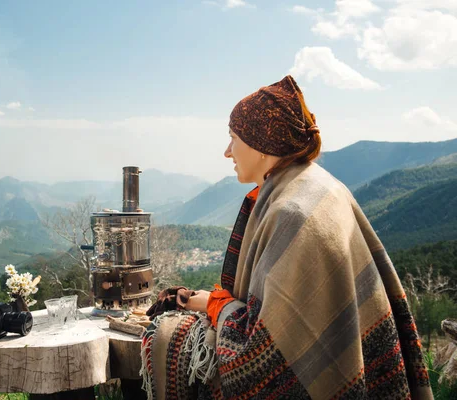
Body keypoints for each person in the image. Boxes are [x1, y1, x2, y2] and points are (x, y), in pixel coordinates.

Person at [140, 75, 433, 400]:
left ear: (261, 145)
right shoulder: (313, 185)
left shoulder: (292, 212)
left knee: (169, 336)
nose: (226, 152)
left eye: (233, 138)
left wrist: (214, 304)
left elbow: (265, 358)